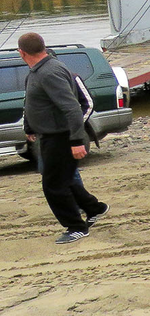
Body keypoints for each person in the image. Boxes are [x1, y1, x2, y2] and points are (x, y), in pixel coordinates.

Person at [18, 32, 108, 244]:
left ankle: (76, 227)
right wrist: (29, 126)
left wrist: (76, 141)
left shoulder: (50, 72)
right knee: (65, 179)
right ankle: (95, 209)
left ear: (22, 53)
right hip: (49, 135)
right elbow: (33, 102)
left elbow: (71, 108)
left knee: (53, 186)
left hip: (61, 137)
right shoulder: (37, 71)